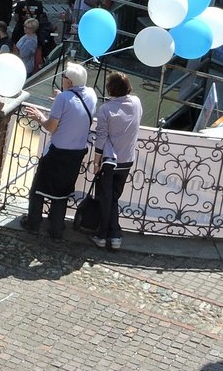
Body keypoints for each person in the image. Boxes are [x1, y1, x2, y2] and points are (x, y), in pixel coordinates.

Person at [23, 63, 96, 238]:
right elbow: (76, 104)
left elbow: (51, 127)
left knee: (38, 189)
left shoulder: (64, 99)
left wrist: (39, 116)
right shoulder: (91, 95)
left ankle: (33, 223)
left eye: (64, 77)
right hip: (76, 153)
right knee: (61, 192)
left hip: (57, 152)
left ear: (69, 82)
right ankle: (56, 229)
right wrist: (61, 97)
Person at [90, 71, 142, 250]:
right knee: (112, 198)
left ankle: (105, 235)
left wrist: (96, 162)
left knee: (107, 198)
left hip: (110, 161)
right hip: (127, 159)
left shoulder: (105, 109)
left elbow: (101, 137)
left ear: (110, 89)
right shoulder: (136, 103)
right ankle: (113, 235)